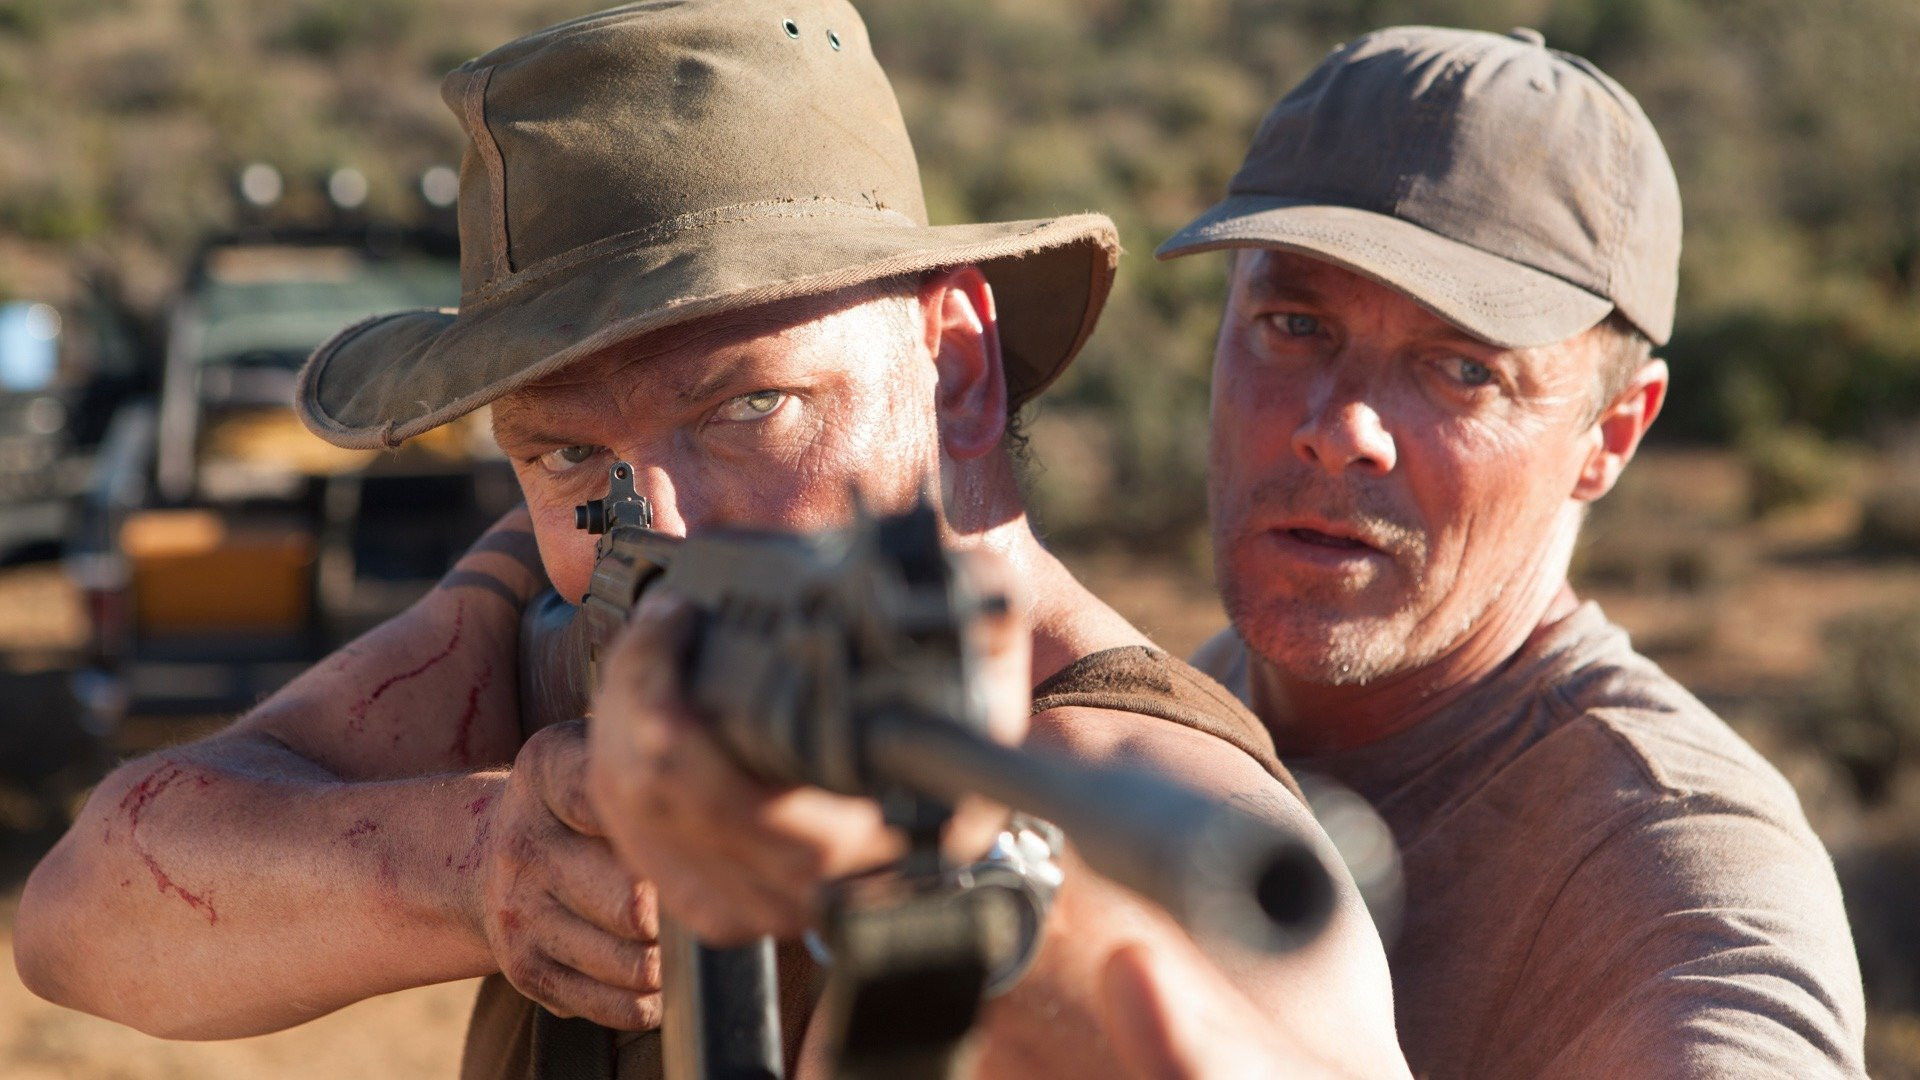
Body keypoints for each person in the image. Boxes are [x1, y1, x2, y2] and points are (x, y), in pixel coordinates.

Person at [13, 3, 1407, 1077]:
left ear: (958, 368)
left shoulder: (1154, 797)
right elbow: (82, 916)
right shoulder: (550, 616)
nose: (662, 516)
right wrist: (487, 864)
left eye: (750, 407)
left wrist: (936, 901)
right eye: (567, 452)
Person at [1137, 24, 1867, 1079]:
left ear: (1611, 434)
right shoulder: (1156, 730)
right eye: (1293, 324)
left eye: (1463, 369)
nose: (1340, 427)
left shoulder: (1679, 870)